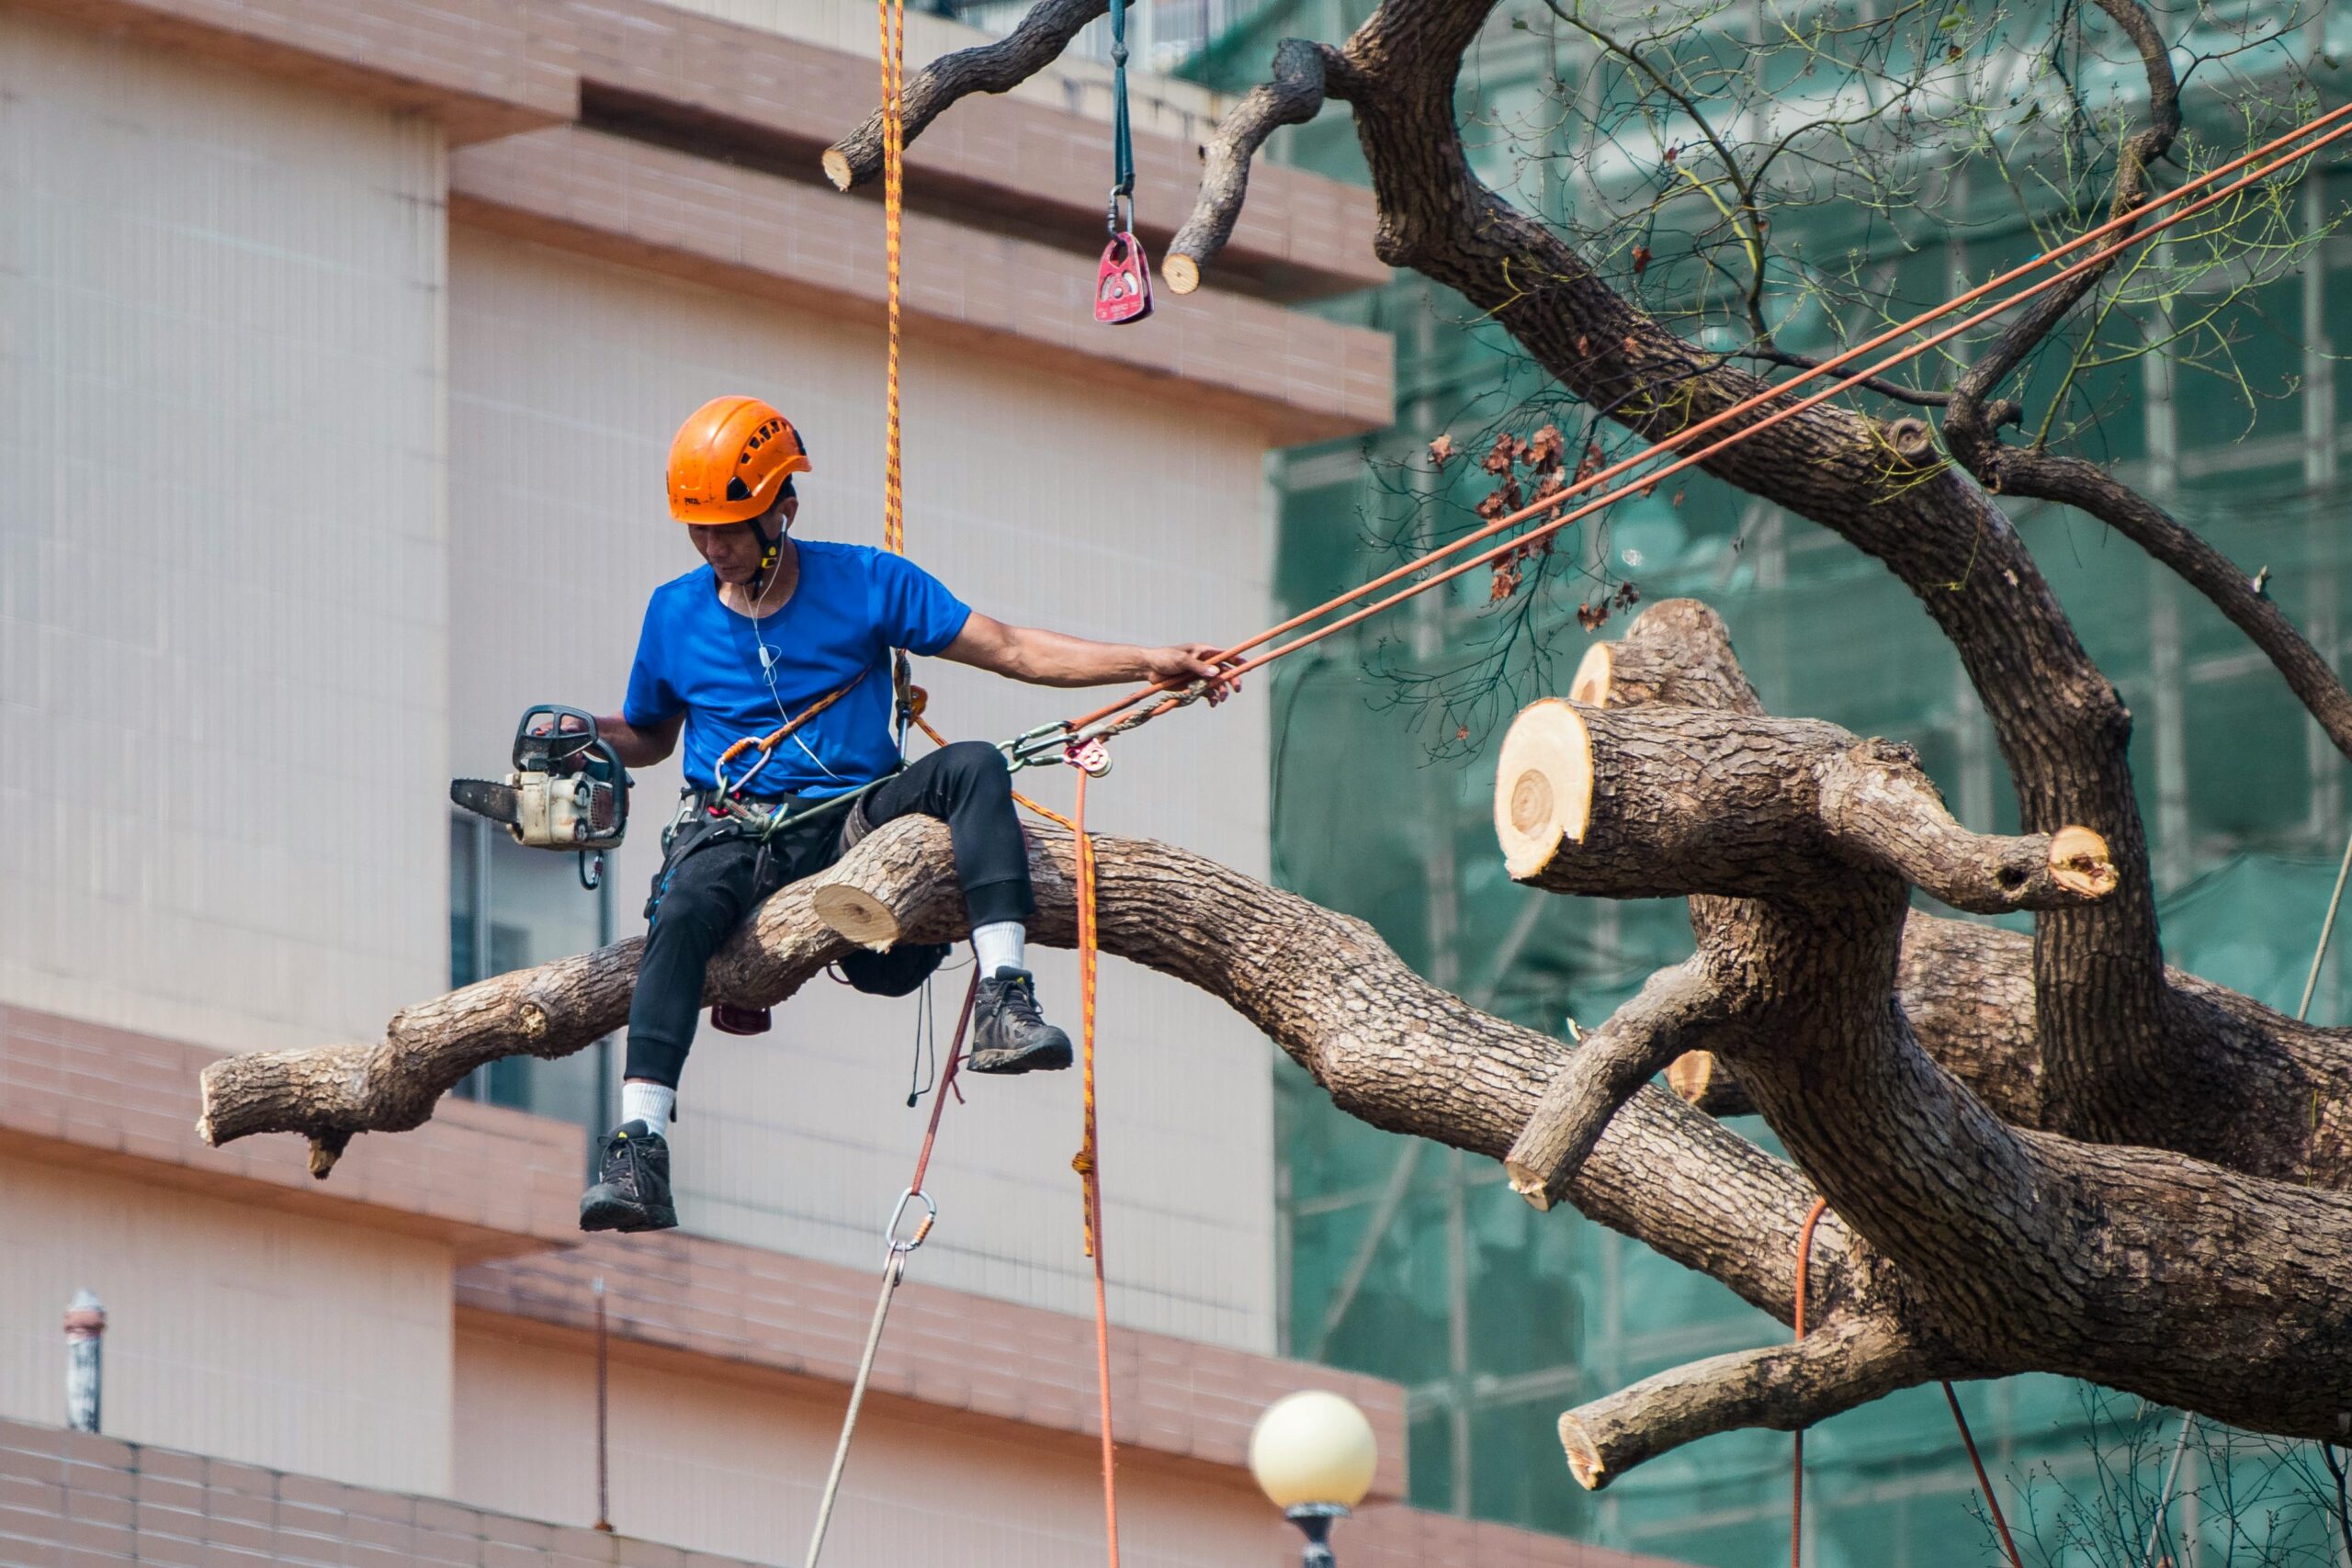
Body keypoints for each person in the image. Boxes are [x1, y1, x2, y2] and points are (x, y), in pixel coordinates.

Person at [573, 395, 1238, 1233]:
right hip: (736, 828)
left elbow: (1012, 648)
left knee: (973, 766)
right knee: (680, 916)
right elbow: (652, 735)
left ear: (784, 508)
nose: (714, 547)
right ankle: (640, 1147)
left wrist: (1148, 662)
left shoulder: (864, 582)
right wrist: (584, 734)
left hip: (855, 818)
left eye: (731, 528)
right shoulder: (675, 611)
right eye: (698, 530)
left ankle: (1006, 996)